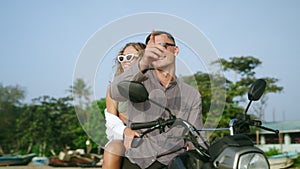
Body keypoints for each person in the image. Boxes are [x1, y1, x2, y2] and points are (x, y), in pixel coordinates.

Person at [110, 30, 206, 169]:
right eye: (151, 49)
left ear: (175, 50)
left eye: (162, 46)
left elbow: (196, 136)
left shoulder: (191, 95)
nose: (157, 52)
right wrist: (143, 62)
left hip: (172, 160)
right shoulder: (138, 80)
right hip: (138, 159)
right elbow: (115, 92)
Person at [102, 42, 146, 169]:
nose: (125, 61)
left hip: (152, 134)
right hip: (124, 134)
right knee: (112, 149)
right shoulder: (113, 88)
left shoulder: (154, 84)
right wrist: (125, 130)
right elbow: (111, 120)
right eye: (121, 58)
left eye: (130, 57)